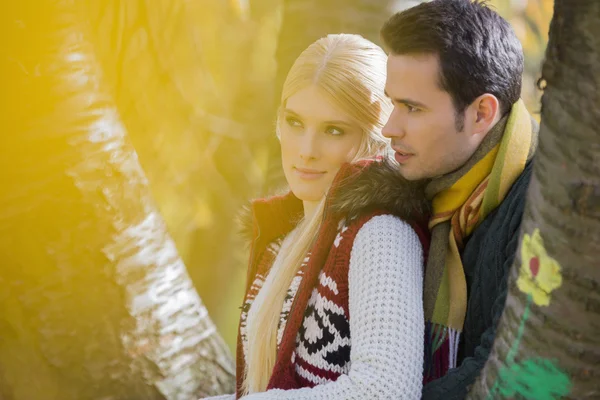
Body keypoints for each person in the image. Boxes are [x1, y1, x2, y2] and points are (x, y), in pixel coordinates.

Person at [205, 33, 430, 400]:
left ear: (374, 137)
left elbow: (386, 391)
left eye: (334, 130)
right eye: (295, 122)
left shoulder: (380, 232)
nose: (306, 150)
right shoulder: (282, 237)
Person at [379, 1, 538, 398]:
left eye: (412, 108)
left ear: (482, 114)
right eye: (392, 102)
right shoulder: (424, 190)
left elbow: (508, 368)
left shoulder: (545, 208)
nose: (389, 128)